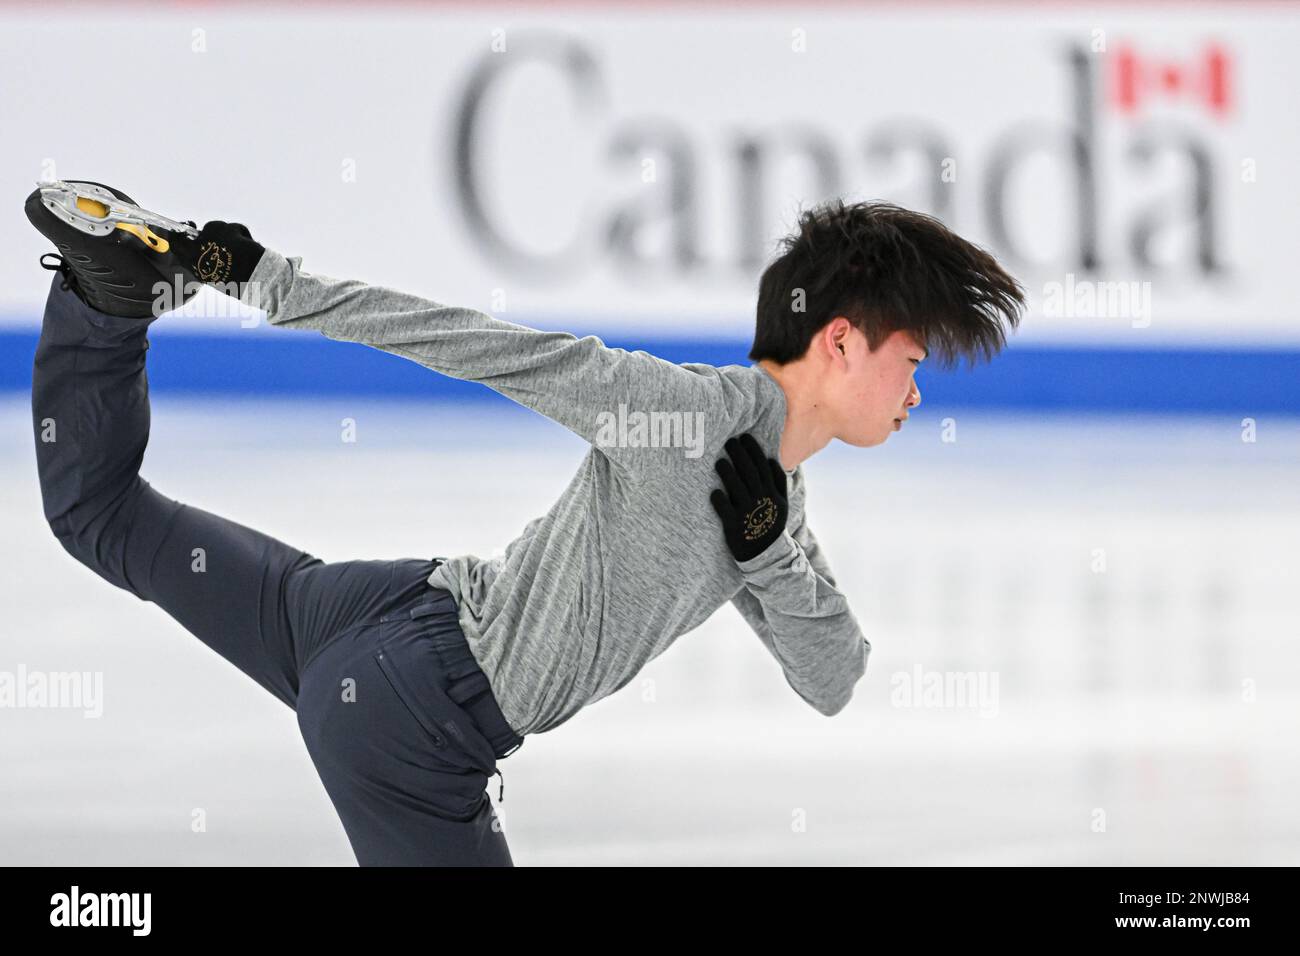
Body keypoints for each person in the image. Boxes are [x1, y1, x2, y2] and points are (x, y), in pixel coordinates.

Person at [25, 183, 1024, 866]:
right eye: (913, 358)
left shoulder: (774, 510)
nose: (914, 391)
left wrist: (767, 555)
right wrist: (260, 275)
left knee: (97, 511)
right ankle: (114, 292)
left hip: (362, 611)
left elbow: (833, 674)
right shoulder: (676, 413)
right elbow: (480, 346)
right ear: (840, 341)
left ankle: (103, 302)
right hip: (415, 718)